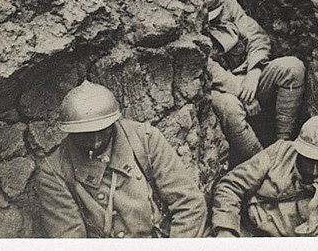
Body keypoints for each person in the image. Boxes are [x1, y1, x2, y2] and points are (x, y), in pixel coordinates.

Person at [35, 80, 208, 238]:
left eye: (103, 131)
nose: (95, 143)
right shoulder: (54, 171)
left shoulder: (145, 139)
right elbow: (70, 240)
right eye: (85, 135)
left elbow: (190, 204)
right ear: (70, 132)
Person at [196, 0, 305, 166]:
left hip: (247, 78)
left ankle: (282, 147)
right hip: (218, 88)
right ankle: (264, 165)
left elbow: (256, 35)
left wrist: (254, 72)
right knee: (230, 108)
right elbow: (205, 66)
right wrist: (241, 91)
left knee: (293, 68)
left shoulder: (227, 3)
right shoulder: (187, 21)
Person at [212, 114, 318, 237]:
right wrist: (226, 230)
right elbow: (231, 186)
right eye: (308, 160)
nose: (314, 171)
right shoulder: (280, 153)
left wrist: (316, 218)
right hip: (241, 229)